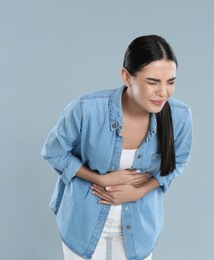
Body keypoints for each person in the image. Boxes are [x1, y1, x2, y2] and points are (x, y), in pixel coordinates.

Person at [41, 35, 193, 260]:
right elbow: (54, 151)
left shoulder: (179, 116)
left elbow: (178, 161)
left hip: (138, 229)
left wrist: (140, 191)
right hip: (83, 223)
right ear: (126, 76)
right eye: (153, 82)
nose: (163, 92)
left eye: (170, 81)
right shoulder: (86, 110)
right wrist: (99, 178)